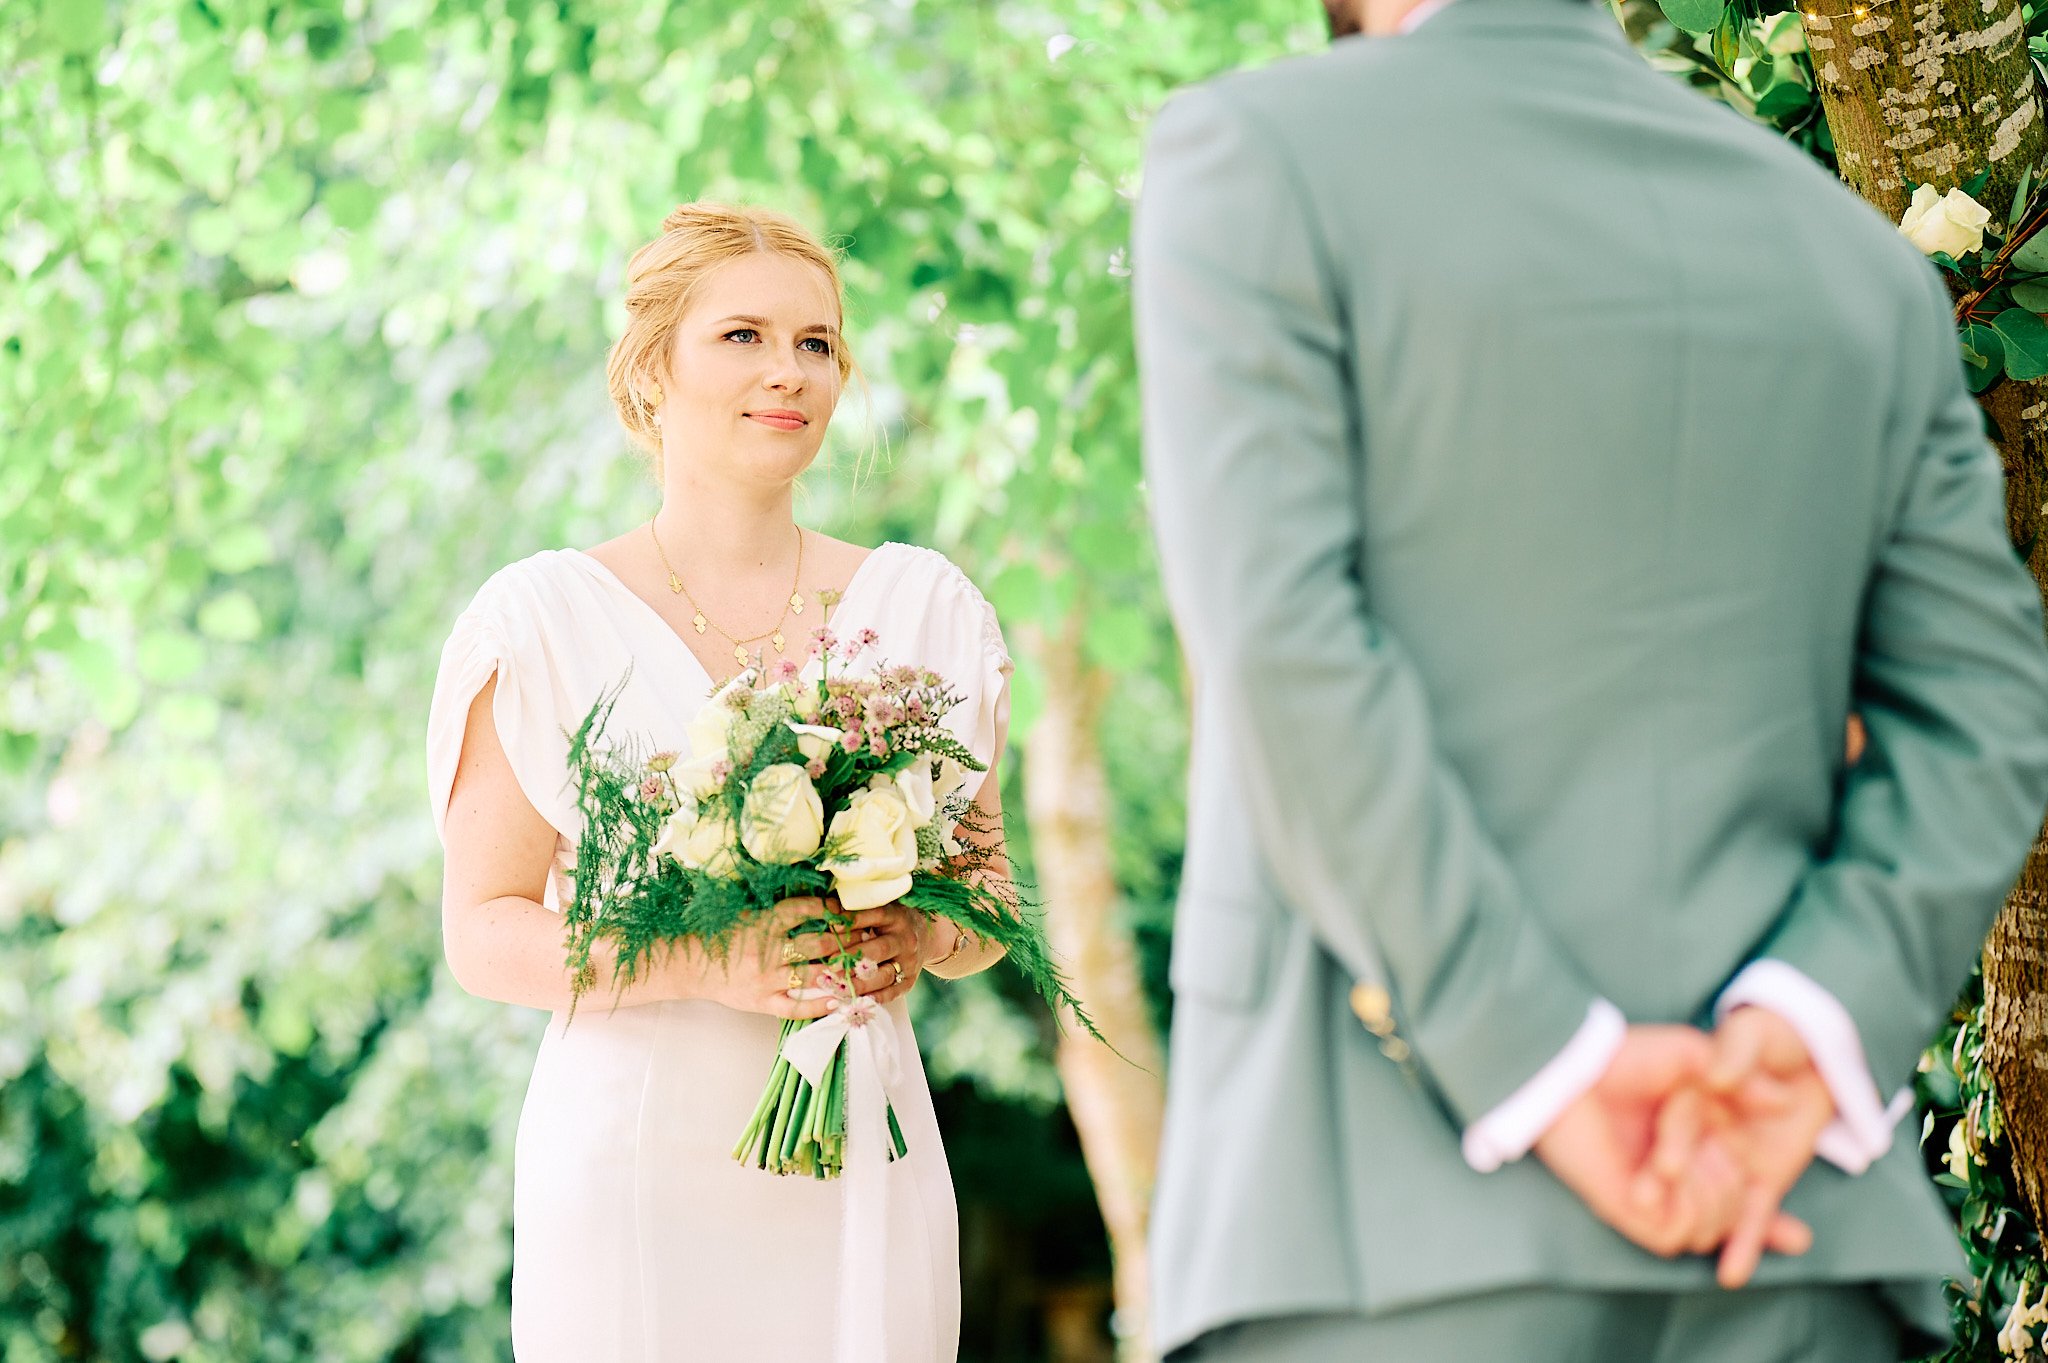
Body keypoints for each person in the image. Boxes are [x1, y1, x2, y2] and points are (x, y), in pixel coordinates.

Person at [1134, 0, 2048, 1357]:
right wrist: (1809, 1022)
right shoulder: (1852, 260)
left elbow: (1281, 642)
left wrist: (1544, 1057)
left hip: (1376, 1223)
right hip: (1789, 1234)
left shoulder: (1259, 157)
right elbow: (1986, 705)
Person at [425, 202, 1012, 1362]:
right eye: (741, 336)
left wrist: (919, 938)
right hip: (634, 1170)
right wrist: (707, 959)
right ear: (652, 371)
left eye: (816, 343)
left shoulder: (923, 609)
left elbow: (987, 900)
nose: (787, 371)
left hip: (862, 1153)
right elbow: (483, 933)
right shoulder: (541, 621)